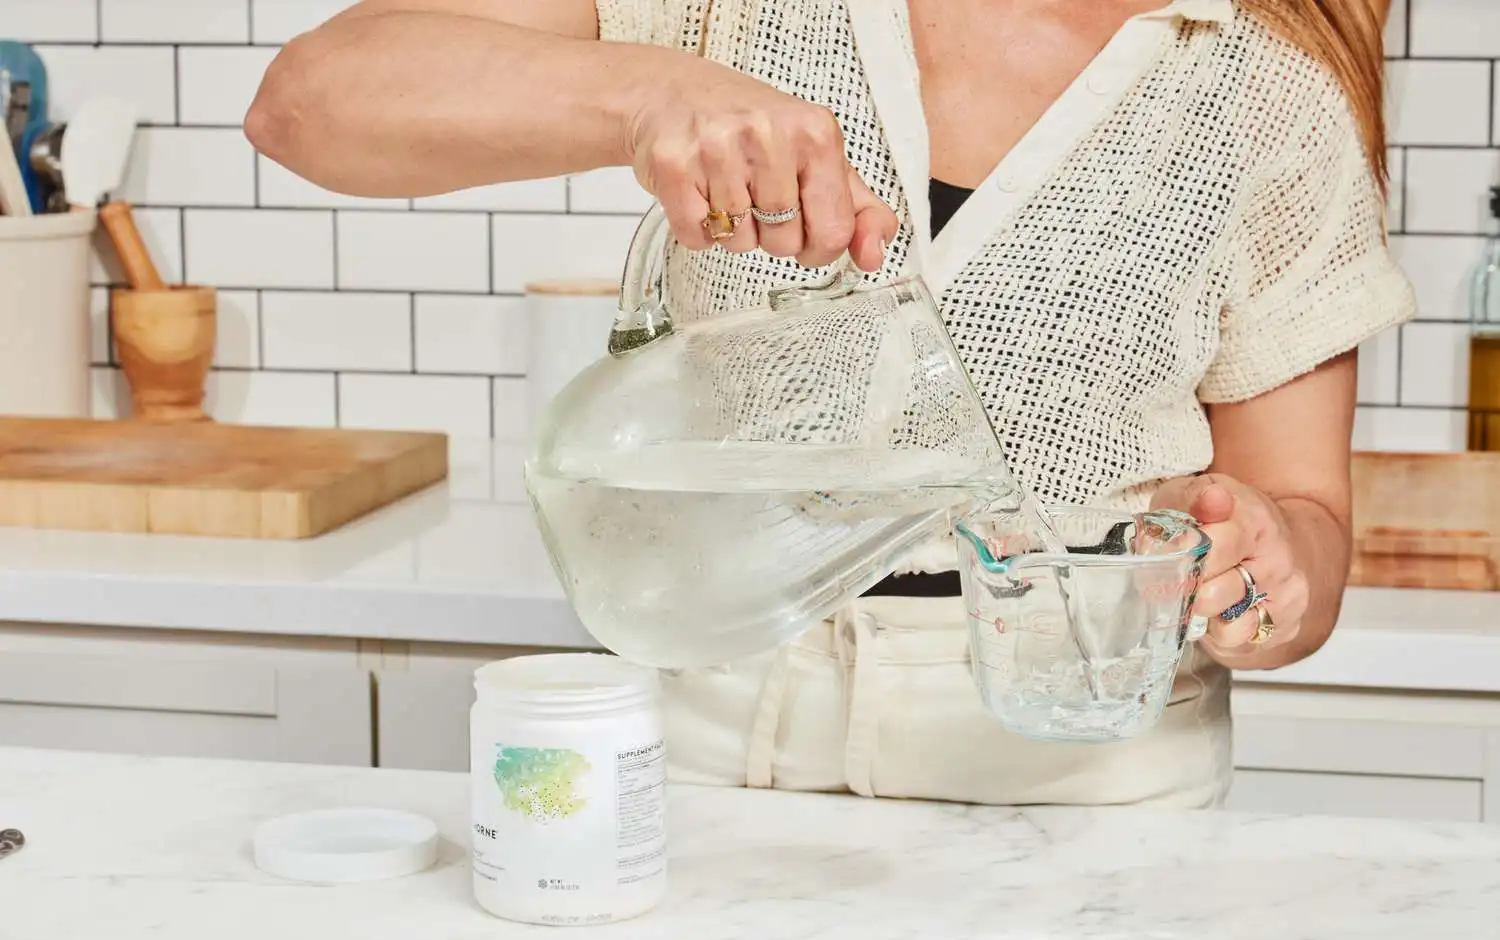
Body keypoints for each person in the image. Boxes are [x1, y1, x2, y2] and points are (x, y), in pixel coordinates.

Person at [246, 0, 1414, 808]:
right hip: (713, 766)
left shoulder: (1268, 91)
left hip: (1088, 794)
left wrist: (1270, 561)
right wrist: (650, 94)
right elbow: (308, 106)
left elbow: (1303, 519)